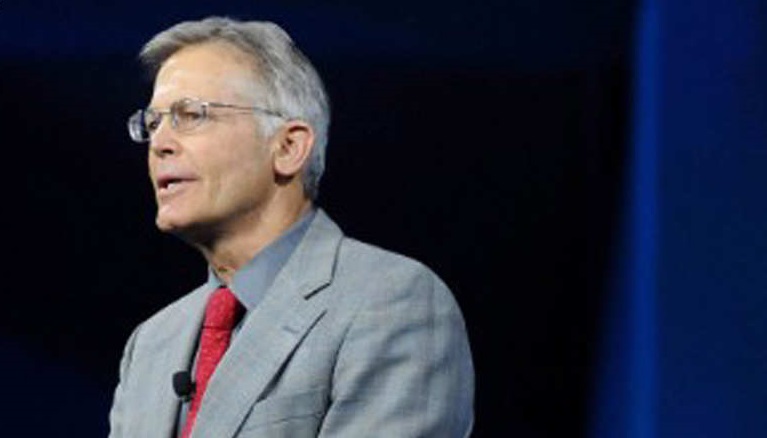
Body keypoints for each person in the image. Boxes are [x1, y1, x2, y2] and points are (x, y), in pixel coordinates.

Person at [108, 16, 474, 438]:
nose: (159, 143)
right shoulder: (151, 344)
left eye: (190, 115)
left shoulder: (391, 302)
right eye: (153, 124)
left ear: (288, 147)